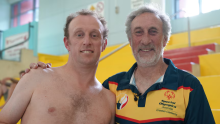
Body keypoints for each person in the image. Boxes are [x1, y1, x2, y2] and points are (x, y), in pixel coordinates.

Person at [25, 4, 215, 124]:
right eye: (138, 32)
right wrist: (43, 73)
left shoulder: (189, 87)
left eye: (153, 31)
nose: (146, 40)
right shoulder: (111, 88)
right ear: (130, 40)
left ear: (165, 39)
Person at [0, 9, 115, 124]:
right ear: (67, 43)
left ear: (104, 44)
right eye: (79, 35)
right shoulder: (36, 78)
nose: (86, 41)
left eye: (94, 35)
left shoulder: (109, 101)